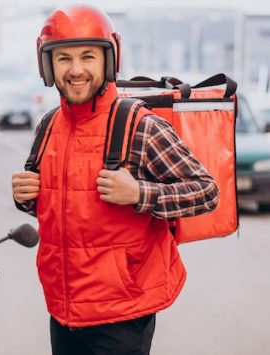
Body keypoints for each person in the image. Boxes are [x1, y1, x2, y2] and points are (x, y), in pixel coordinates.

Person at [11, 5, 219, 355]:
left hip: (122, 314)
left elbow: (206, 192)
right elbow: (66, 210)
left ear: (109, 59)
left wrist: (140, 192)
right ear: (47, 65)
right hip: (64, 310)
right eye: (63, 59)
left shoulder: (141, 125)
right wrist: (26, 197)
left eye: (88, 56)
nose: (76, 70)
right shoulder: (48, 126)